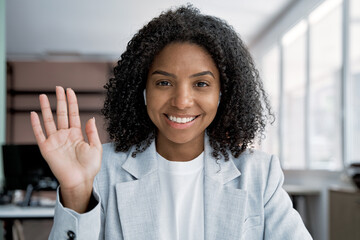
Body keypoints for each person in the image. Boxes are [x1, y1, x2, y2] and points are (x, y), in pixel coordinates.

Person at [30, 5, 312, 240]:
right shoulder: (101, 170)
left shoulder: (259, 174)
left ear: (223, 94)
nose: (181, 101)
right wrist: (77, 192)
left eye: (201, 83)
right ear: (142, 90)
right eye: (164, 82)